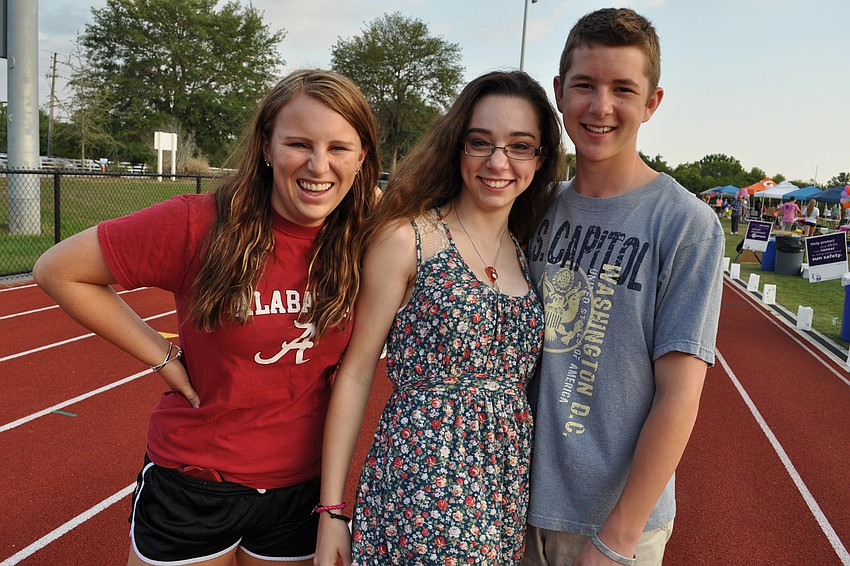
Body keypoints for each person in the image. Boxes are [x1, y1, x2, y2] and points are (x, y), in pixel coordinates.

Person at [32, 69, 380, 566]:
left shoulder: (368, 240)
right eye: (298, 143)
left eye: (339, 148)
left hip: (301, 495)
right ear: (265, 145)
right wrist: (163, 356)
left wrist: (331, 507)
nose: (318, 165)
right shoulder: (199, 222)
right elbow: (57, 270)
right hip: (194, 484)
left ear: (363, 157)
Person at [313, 70, 564, 566]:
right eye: (481, 142)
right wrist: (331, 510)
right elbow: (358, 370)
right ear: (457, 147)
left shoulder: (526, 248)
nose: (498, 162)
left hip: (501, 491)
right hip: (419, 488)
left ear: (540, 158)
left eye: (519, 146)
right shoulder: (408, 239)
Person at [523, 8, 724, 566]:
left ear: (652, 103)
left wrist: (621, 535)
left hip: (608, 526)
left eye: (622, 89)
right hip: (512, 507)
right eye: (585, 85)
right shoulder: (531, 209)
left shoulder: (685, 223)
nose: (600, 106)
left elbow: (680, 392)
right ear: (560, 92)